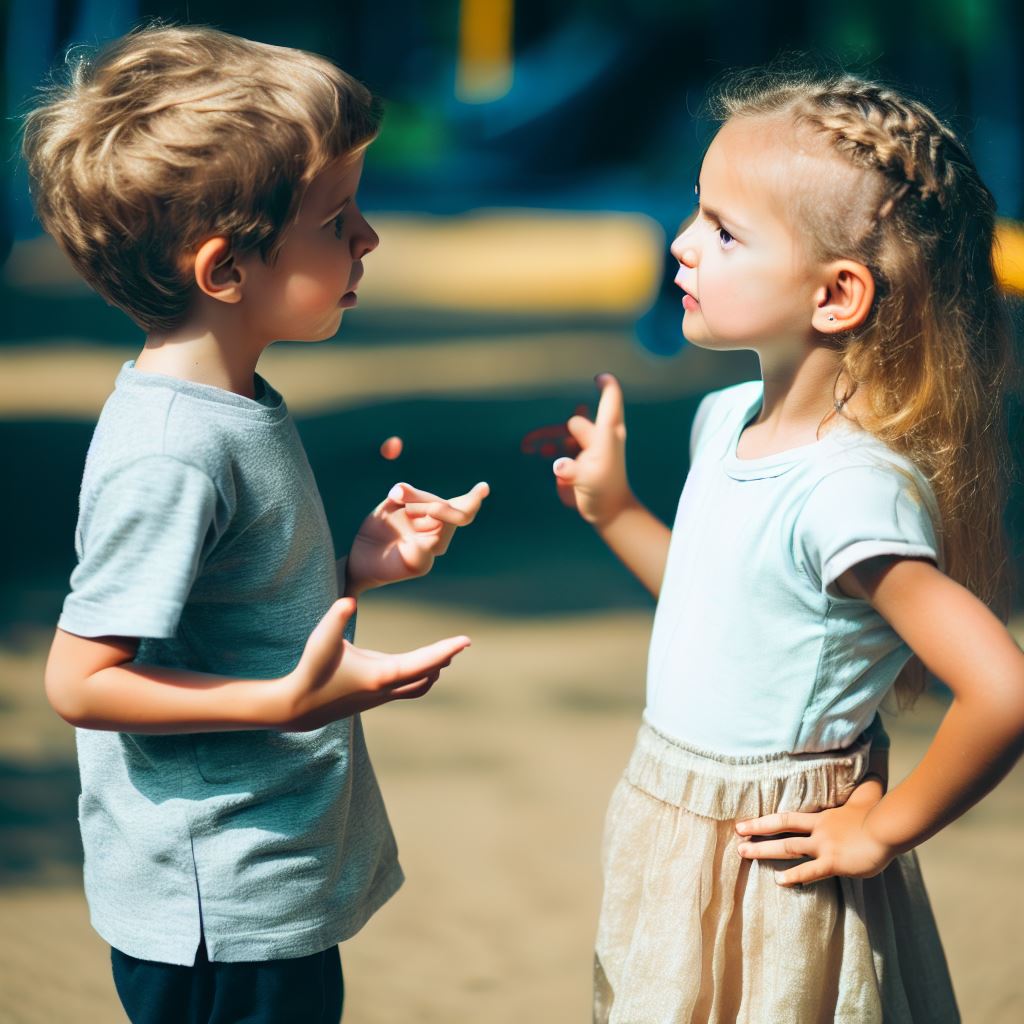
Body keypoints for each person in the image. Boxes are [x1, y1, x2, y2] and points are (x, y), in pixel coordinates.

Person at [23, 25, 488, 1024]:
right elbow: (80, 677)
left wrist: (350, 568)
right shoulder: (172, 450)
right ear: (226, 268)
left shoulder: (230, 403)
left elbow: (219, 601)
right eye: (336, 218)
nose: (367, 238)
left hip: (258, 877)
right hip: (217, 907)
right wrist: (284, 700)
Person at [552, 65, 1024, 1023]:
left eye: (725, 231)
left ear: (837, 294)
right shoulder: (724, 417)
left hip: (769, 859)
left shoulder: (849, 490)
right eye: (696, 212)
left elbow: (1003, 690)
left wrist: (883, 829)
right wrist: (616, 512)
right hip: (671, 821)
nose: (681, 245)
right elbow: (722, 607)